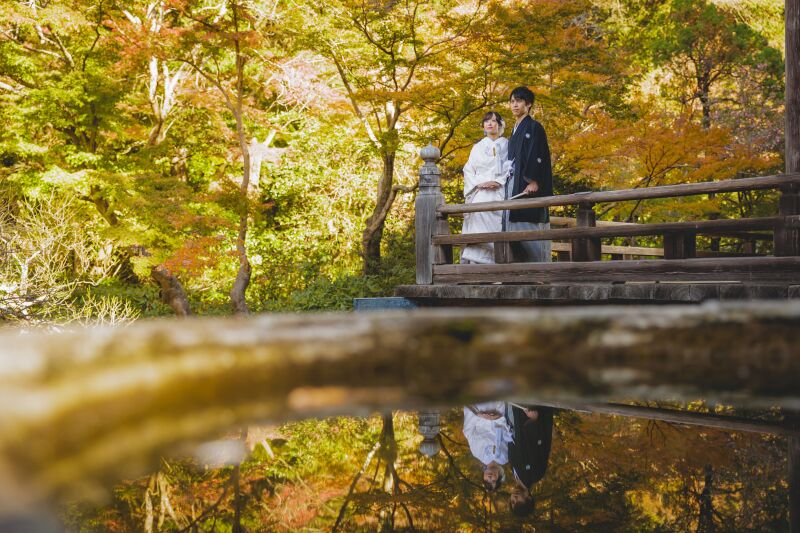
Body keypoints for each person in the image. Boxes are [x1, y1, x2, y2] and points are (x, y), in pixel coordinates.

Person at [505, 86, 553, 262]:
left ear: (529, 104)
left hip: (527, 184)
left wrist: (534, 180)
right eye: (512, 101)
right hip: (513, 182)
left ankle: (538, 267)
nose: (514, 105)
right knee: (514, 223)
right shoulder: (514, 130)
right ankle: (520, 269)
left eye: (519, 101)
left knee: (529, 221)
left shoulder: (534, 127)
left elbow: (539, 155)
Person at [461, 112, 511, 264]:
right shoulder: (477, 147)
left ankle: (498, 260)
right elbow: (469, 169)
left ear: (500, 125)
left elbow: (511, 167)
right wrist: (480, 183)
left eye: (494, 121)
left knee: (499, 223)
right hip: (481, 191)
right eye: (487, 121)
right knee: (478, 215)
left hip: (500, 189)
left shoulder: (507, 144)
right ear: (483, 125)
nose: (490, 123)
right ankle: (476, 261)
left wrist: (498, 181)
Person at [507, 405, 554, 517]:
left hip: (514, 419)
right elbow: (542, 446)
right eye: (518, 502)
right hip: (527, 416)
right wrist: (534, 420)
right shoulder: (536, 474)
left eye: (512, 501)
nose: (515, 498)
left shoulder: (514, 473)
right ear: (529, 498)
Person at [462, 401, 513, 491]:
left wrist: (479, 415)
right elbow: (510, 433)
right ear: (500, 476)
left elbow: (468, 431)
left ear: (483, 476)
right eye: (493, 480)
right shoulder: (507, 456)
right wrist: (498, 418)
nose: (490, 477)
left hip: (479, 409)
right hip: (498, 409)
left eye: (487, 480)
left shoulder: (477, 453)